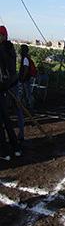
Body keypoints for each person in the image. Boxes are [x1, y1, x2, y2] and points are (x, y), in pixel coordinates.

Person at [0, 26, 21, 159]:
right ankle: (16, 147)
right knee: (6, 120)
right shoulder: (10, 49)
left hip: (2, 87)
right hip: (7, 87)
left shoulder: (3, 49)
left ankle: (4, 152)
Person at [18, 44, 37, 110]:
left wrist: (23, 77)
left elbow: (26, 69)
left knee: (27, 92)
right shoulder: (26, 58)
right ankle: (26, 105)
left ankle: (30, 105)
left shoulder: (25, 59)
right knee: (25, 92)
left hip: (25, 79)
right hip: (26, 78)